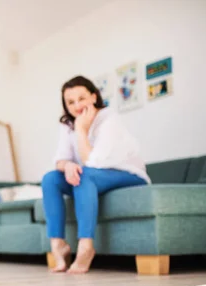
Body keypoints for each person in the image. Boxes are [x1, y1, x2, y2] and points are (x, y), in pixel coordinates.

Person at [42, 75, 150, 274]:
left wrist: (82, 130)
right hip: (92, 175)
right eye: (70, 102)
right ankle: (58, 245)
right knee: (50, 179)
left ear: (93, 96)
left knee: (85, 175)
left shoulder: (109, 118)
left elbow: (93, 162)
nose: (76, 106)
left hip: (127, 173)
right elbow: (60, 158)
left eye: (81, 98)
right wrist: (67, 166)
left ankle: (86, 247)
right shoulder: (68, 124)